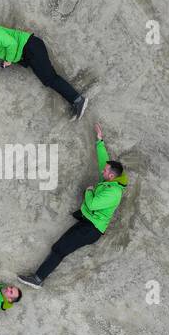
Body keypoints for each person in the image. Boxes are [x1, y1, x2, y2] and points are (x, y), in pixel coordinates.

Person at [17, 123, 126, 287]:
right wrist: (99, 141)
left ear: (111, 175)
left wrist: (88, 191)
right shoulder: (111, 181)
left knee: (61, 248)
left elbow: (94, 204)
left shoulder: (113, 192)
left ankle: (38, 279)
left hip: (91, 229)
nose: (102, 171)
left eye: (105, 171)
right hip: (88, 223)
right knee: (60, 246)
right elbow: (104, 160)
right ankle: (38, 277)